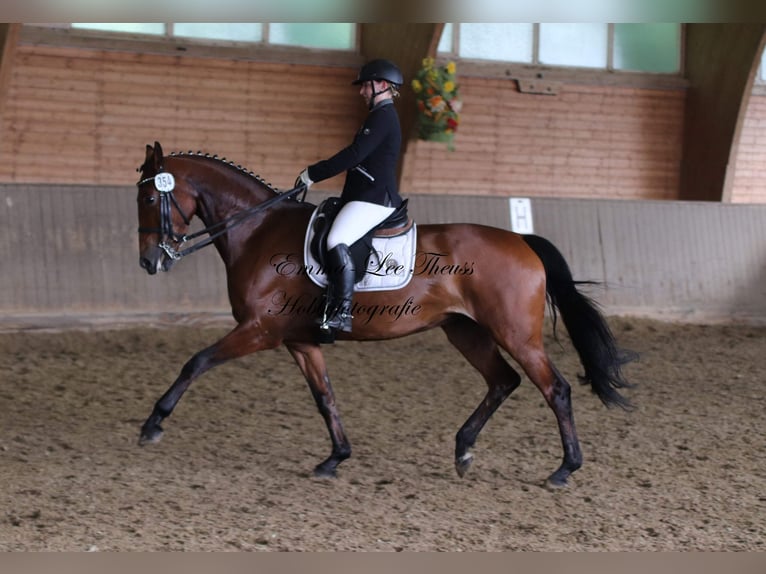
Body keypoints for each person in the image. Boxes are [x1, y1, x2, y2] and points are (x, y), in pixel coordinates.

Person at [296, 58, 405, 339]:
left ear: (381, 85)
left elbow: (355, 155)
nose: (361, 92)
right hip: (362, 195)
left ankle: (340, 313)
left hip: (375, 198)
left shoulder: (383, 117)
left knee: (336, 240)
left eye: (365, 86)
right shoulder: (378, 116)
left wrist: (313, 173)